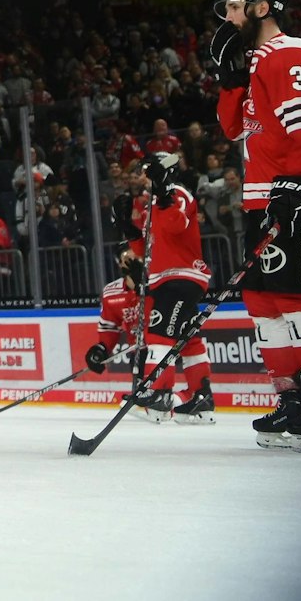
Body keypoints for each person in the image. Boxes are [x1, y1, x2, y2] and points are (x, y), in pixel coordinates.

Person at [212, 0, 301, 451]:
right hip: (261, 199)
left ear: (263, 7)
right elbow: (233, 128)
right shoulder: (255, 63)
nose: (227, 17)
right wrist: (230, 81)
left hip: (295, 198)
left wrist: (300, 181)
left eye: (234, 7)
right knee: (264, 306)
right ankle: (296, 398)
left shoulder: (290, 51)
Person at [121, 151, 215, 422]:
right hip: (165, 277)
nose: (143, 176)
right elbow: (146, 247)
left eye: (147, 171)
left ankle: (160, 393)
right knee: (189, 339)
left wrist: (163, 195)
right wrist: (128, 228)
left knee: (161, 331)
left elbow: (176, 225)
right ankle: (201, 398)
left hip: (181, 276)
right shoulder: (153, 202)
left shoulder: (178, 193)